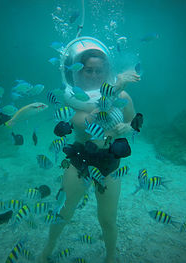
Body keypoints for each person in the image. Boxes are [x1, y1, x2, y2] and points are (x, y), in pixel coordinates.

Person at [39, 37, 140, 263]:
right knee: (63, 211)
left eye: (99, 70)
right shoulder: (74, 99)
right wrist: (115, 89)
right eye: (88, 71)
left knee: (107, 219)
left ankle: (110, 257)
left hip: (110, 162)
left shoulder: (123, 96)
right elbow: (90, 121)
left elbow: (135, 124)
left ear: (107, 71)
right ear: (77, 72)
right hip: (80, 160)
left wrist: (127, 126)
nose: (94, 75)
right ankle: (48, 248)